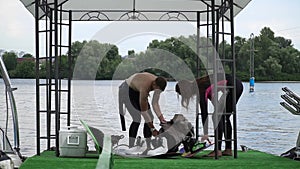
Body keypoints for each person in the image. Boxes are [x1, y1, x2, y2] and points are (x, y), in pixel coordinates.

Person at [175, 73, 243, 157]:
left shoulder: (200, 90)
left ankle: (217, 150)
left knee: (217, 116)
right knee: (223, 117)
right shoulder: (202, 85)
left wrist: (205, 133)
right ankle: (228, 149)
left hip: (233, 87)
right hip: (236, 85)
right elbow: (216, 104)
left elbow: (204, 112)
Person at [118, 72, 167, 150]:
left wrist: (161, 119)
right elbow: (143, 112)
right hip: (126, 90)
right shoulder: (145, 87)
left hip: (137, 90)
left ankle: (148, 146)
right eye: (156, 90)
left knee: (150, 117)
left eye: (158, 91)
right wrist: (153, 129)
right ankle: (131, 146)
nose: (156, 92)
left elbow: (155, 103)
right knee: (137, 118)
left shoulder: (158, 84)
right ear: (154, 84)